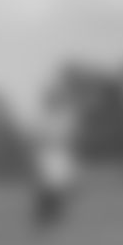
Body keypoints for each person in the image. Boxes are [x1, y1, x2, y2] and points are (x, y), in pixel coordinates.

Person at [29, 100, 79, 233]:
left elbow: (68, 139)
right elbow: (39, 138)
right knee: (48, 187)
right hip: (49, 155)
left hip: (58, 155)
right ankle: (44, 216)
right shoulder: (46, 121)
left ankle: (53, 216)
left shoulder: (62, 121)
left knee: (58, 187)